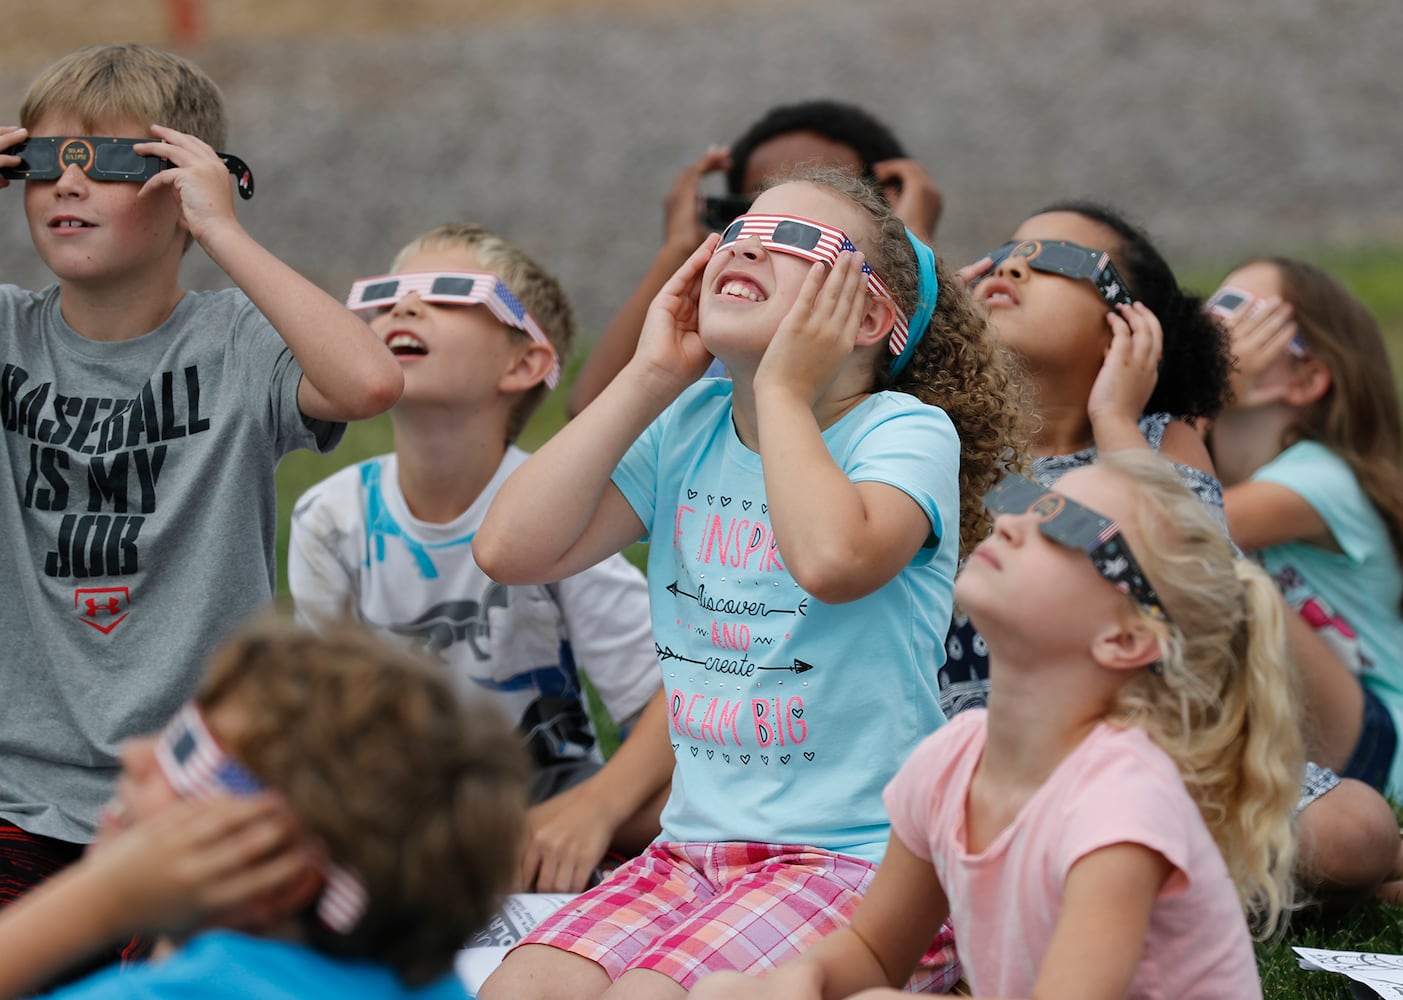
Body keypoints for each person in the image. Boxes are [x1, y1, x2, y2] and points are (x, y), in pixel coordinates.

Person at [472, 166, 1026, 999]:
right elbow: (510, 549)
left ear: (868, 315)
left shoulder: (905, 433)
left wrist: (781, 391)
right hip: (686, 850)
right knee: (517, 991)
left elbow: (833, 561)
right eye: (740, 232)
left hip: (858, 862)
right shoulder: (687, 423)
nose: (751, 246)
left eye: (799, 240)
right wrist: (652, 373)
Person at [0, 44, 402, 917]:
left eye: (109, 163)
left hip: (201, 779)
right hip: (14, 789)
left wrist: (224, 231)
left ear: (188, 188)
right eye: (40, 161)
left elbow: (367, 383)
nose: (66, 185)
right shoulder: (9, 331)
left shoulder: (237, 343)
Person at [690, 452, 1302, 1000]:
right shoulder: (952, 760)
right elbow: (874, 952)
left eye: (1063, 528)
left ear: (1127, 636)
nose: (1009, 521)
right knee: (724, 992)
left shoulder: (1121, 802)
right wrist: (807, 978)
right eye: (1027, 500)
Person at [287, 222, 670, 893]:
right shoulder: (331, 516)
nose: (401, 309)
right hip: (398, 832)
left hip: (547, 827)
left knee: (682, 810)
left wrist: (596, 808)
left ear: (522, 365)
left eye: (450, 293)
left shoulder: (561, 514)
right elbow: (324, 726)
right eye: (386, 296)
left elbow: (671, 704)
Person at [0, 616, 527, 999]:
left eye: (187, 750)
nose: (136, 754)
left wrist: (100, 902)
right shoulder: (432, 984)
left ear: (280, 870)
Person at [939, 199, 1230, 717]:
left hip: (1105, 735)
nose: (1009, 266)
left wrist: (1115, 420)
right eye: (1001, 254)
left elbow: (1201, 599)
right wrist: (935, 330)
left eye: (1058, 261)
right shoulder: (933, 432)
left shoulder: (1157, 442)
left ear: (1127, 327)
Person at [1204, 257, 1403, 898]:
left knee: (1209, 567)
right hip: (1302, 744)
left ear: (1306, 375)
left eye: (1238, 310)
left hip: (1377, 748)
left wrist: (1178, 397)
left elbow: (1166, 530)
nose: (1210, 319)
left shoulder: (1320, 479)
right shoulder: (1211, 468)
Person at [565, 99, 943, 418]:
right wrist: (678, 251)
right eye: (745, 220)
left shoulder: (899, 427)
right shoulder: (718, 339)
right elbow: (590, 413)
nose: (754, 246)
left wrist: (906, 247)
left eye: (802, 231)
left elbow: (957, 395)